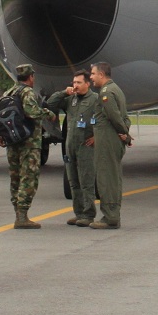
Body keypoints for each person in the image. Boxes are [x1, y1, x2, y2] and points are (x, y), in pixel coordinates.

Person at [0, 64, 47, 229]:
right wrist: (49, 113)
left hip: (12, 142)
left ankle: (18, 213)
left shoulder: (7, 93)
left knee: (15, 178)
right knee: (29, 178)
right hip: (29, 143)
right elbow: (32, 112)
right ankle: (22, 216)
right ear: (30, 77)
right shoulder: (28, 93)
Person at [47, 71, 97, 226]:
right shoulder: (70, 100)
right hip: (71, 145)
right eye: (74, 82)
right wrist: (64, 92)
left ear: (87, 84)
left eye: (79, 82)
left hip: (86, 145)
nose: (75, 85)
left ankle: (88, 215)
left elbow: (105, 119)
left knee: (86, 181)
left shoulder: (95, 99)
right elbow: (50, 104)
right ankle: (79, 212)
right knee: (73, 181)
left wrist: (97, 137)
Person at [86, 61, 132, 230]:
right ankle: (111, 214)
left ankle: (110, 216)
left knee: (107, 178)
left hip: (107, 140)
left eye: (92, 74)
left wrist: (125, 135)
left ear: (101, 75)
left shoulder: (106, 92)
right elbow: (124, 117)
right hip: (110, 139)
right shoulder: (115, 89)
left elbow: (114, 116)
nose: (90, 77)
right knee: (111, 176)